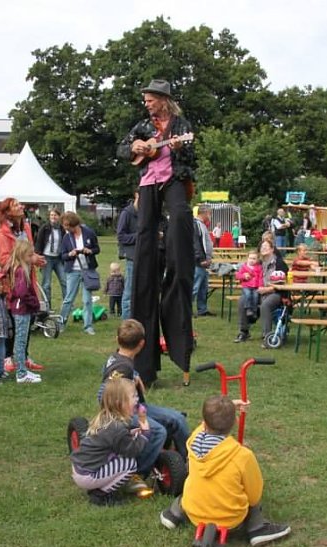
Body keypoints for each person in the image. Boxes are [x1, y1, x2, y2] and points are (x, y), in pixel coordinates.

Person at [116, 79, 196, 384]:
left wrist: (177, 148)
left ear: (163, 100)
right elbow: (123, 148)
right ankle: (145, 369)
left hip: (174, 180)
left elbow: (191, 157)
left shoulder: (181, 125)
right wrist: (136, 147)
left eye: (151, 100)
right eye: (146, 100)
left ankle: (179, 254)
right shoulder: (142, 126)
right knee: (146, 239)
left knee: (179, 215)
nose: (147, 104)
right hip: (149, 183)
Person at [159, 394, 291, 547]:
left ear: (204, 423)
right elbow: (254, 495)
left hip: (194, 513)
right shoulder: (243, 455)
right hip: (230, 518)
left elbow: (204, 425)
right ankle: (257, 528)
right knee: (252, 502)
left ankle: (173, 515)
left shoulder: (193, 441)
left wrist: (226, 407)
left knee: (189, 490)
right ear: (235, 422)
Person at [99, 319, 189, 472]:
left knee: (177, 419)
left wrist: (134, 374)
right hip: (124, 412)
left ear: (117, 340)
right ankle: (137, 471)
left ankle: (187, 459)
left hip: (136, 406)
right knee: (159, 431)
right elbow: (106, 391)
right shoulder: (123, 367)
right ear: (141, 344)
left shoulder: (117, 357)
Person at [71, 374, 151, 506]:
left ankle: (100, 485)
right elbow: (132, 450)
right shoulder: (117, 428)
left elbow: (115, 440)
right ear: (120, 403)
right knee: (130, 464)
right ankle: (100, 495)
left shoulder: (108, 418)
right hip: (87, 474)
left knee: (124, 460)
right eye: (133, 397)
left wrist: (132, 433)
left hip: (82, 467)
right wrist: (145, 434)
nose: (137, 400)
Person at [0, 197, 45, 372]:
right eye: (15, 205)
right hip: (13, 282)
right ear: (8, 211)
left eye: (19, 203)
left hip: (28, 278)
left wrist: (34, 259)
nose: (20, 206)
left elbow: (28, 251)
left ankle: (23, 355)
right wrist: (29, 259)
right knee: (14, 320)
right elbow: (3, 261)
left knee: (28, 317)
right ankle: (8, 357)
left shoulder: (26, 228)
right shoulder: (3, 233)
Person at [234, 239, 288, 345]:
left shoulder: (279, 263)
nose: (263, 248)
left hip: (275, 292)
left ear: (272, 249)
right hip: (258, 291)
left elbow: (284, 283)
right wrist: (244, 276)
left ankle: (266, 335)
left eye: (266, 246)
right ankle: (244, 331)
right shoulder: (258, 263)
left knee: (265, 305)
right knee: (242, 300)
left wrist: (268, 289)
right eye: (262, 246)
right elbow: (243, 269)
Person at [58, 211, 100, 334]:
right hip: (73, 271)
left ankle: (88, 326)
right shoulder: (66, 237)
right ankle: (61, 322)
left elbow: (97, 249)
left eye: (66, 225)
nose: (65, 228)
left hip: (88, 270)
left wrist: (89, 251)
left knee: (87, 300)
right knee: (68, 298)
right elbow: (63, 255)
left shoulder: (89, 233)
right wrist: (70, 254)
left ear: (73, 224)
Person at [6, 240, 42, 383]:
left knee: (21, 341)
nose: (32, 258)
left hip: (22, 309)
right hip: (22, 310)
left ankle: (23, 370)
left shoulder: (21, 269)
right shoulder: (21, 271)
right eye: (30, 255)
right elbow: (22, 292)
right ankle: (21, 373)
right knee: (20, 342)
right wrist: (34, 303)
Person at [34, 208, 68, 308]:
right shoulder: (44, 228)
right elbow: (38, 243)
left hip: (58, 258)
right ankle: (47, 306)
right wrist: (38, 258)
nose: (53, 217)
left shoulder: (61, 229)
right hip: (46, 258)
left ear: (59, 217)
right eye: (52, 215)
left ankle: (67, 304)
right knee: (46, 284)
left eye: (55, 215)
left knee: (64, 281)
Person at [115, 192, 138, 319]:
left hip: (145, 257)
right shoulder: (127, 213)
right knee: (129, 292)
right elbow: (121, 236)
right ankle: (127, 324)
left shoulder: (146, 213)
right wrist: (140, 235)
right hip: (132, 258)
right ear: (136, 195)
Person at [193, 205, 215, 317]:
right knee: (195, 287)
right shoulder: (196, 224)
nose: (210, 216)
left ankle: (202, 309)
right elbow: (196, 243)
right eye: (209, 213)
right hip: (199, 263)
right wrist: (201, 259)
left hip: (205, 262)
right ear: (205, 213)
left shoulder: (202, 225)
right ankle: (187, 310)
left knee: (203, 288)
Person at [236, 251, 263, 319]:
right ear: (247, 259)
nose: (252, 260)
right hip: (246, 286)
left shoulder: (259, 268)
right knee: (248, 294)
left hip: (255, 286)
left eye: (254, 259)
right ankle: (248, 309)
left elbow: (260, 278)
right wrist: (243, 276)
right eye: (250, 258)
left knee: (256, 296)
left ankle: (254, 311)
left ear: (257, 260)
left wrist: (260, 286)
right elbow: (238, 275)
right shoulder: (244, 267)